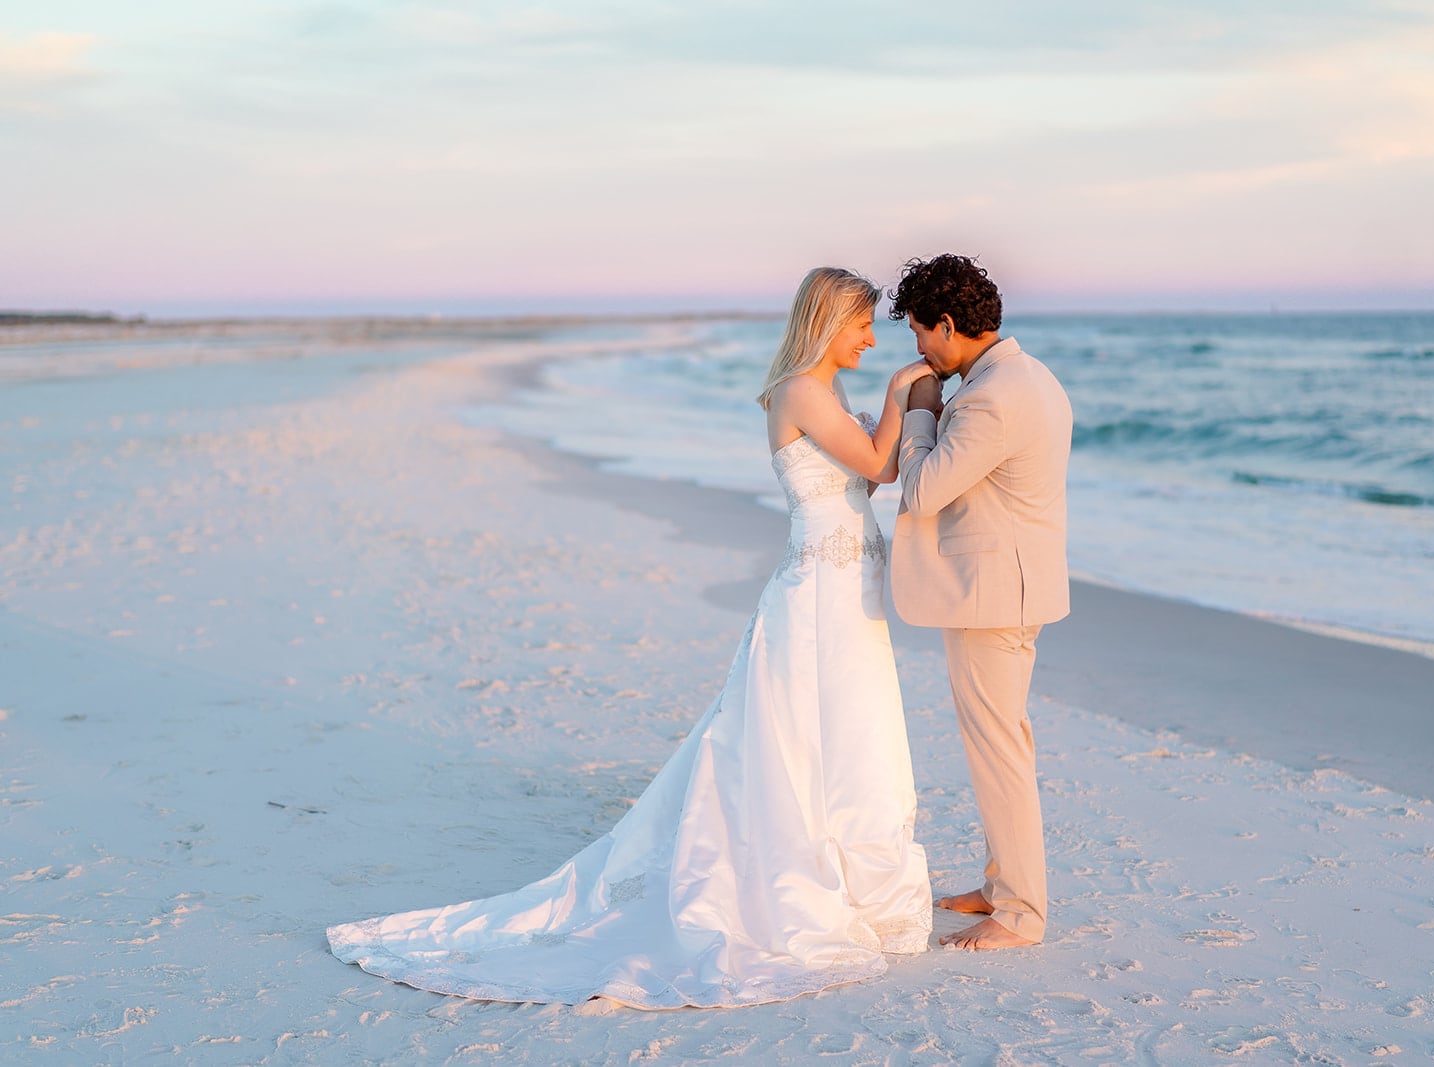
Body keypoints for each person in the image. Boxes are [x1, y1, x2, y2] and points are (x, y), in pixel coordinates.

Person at [327, 267, 936, 1007]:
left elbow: (862, 485)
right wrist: (906, 386)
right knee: (805, 736)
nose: (873, 338)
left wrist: (890, 407)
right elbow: (876, 463)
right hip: (817, 592)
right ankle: (799, 874)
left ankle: (848, 870)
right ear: (830, 321)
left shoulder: (825, 391)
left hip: (845, 585)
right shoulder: (804, 389)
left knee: (845, 732)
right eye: (864, 324)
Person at [887, 254, 1072, 951]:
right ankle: (1000, 884)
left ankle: (1021, 912)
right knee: (1002, 739)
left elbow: (924, 488)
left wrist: (921, 413)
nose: (919, 350)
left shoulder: (994, 395)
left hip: (995, 595)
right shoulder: (1026, 376)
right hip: (1011, 586)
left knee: (998, 747)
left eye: (920, 334)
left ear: (947, 323)